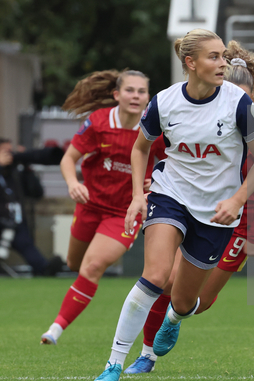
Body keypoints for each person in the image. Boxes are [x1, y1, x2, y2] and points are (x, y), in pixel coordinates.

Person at [92, 28, 254, 381]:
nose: (223, 63)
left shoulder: (239, 104)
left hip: (216, 213)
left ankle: (173, 320)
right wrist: (137, 197)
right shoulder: (164, 101)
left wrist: (236, 200)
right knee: (155, 276)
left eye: (223, 56)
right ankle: (113, 364)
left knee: (187, 300)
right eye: (214, 57)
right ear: (190, 63)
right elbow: (140, 148)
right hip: (170, 195)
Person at [40, 69, 167, 345]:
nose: (136, 96)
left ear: (148, 97)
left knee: (93, 265)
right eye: (130, 90)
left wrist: (154, 184)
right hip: (90, 206)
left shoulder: (155, 130)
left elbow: (172, 165)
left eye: (142, 91)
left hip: (125, 212)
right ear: (116, 95)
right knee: (75, 263)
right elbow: (68, 159)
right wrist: (73, 183)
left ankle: (55, 329)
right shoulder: (98, 122)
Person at [0, 138, 63, 276]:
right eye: (6, 152)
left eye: (11, 151)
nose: (10, 155)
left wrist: (27, 167)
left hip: (14, 223)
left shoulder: (15, 172)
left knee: (27, 245)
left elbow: (37, 193)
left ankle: (45, 269)